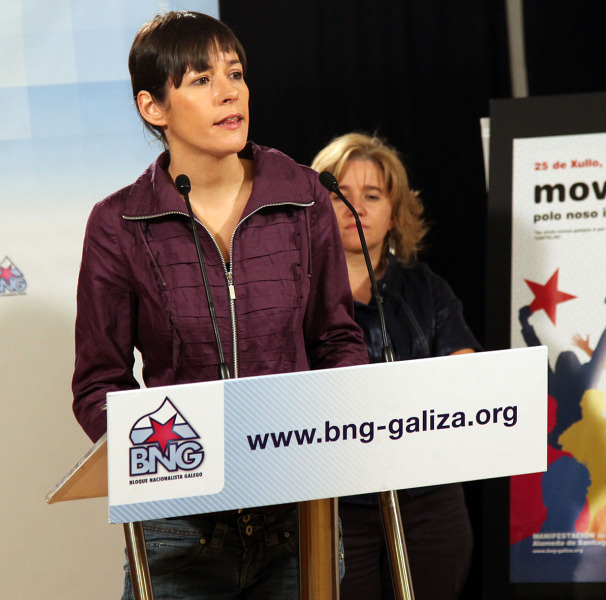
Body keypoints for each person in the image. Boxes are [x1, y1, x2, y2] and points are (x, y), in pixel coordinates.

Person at [70, 12, 368, 599]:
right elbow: (99, 383)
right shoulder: (118, 223)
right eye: (202, 80)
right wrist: (170, 460)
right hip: (179, 528)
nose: (229, 92)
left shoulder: (305, 195)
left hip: (298, 513)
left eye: (235, 73)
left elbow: (337, 340)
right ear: (153, 107)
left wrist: (330, 434)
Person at [311, 133, 479, 600]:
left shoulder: (426, 288)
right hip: (336, 506)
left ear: (394, 211)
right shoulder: (295, 294)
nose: (355, 207)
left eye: (372, 196)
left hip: (429, 502)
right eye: (340, 194)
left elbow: (465, 372)